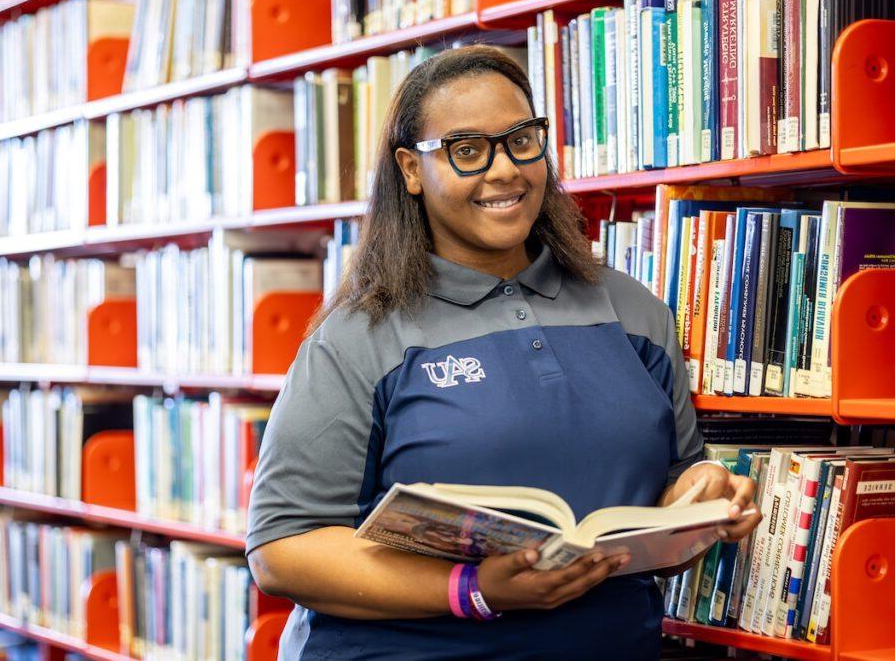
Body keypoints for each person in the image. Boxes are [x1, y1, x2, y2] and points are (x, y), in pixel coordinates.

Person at [245, 45, 761, 660]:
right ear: (412, 170)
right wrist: (473, 589)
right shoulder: (360, 334)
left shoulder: (635, 312)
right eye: (467, 151)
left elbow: (673, 483)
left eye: (521, 140)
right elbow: (282, 547)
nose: (504, 171)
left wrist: (700, 498)